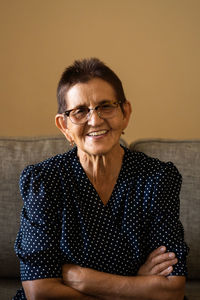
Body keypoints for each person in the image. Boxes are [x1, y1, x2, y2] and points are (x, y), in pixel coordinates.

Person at [13, 58, 189, 300]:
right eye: (80, 111)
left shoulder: (157, 178)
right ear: (64, 126)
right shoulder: (43, 181)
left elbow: (172, 289)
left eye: (106, 106)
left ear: (125, 112)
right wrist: (135, 286)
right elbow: (39, 291)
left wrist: (86, 280)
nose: (95, 120)